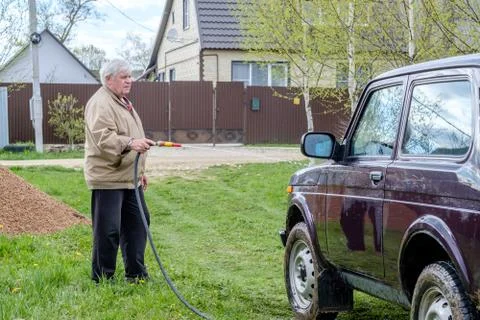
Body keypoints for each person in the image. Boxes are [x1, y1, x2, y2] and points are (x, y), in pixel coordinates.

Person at [84, 59, 155, 283]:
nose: (129, 80)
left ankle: (136, 275)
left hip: (128, 178)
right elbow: (102, 138)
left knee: (139, 223)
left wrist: (140, 170)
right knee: (108, 231)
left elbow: (130, 134)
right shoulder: (101, 103)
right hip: (108, 178)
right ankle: (103, 278)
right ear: (108, 79)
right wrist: (130, 142)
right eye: (124, 76)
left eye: (130, 76)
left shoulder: (121, 101)